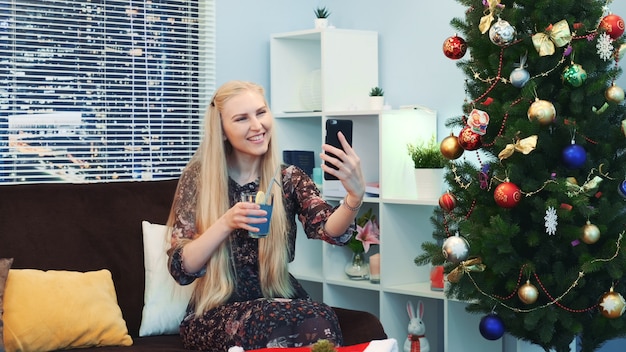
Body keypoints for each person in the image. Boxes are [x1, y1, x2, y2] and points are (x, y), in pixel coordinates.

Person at [166, 80, 366, 351]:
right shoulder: (200, 179)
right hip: (216, 309)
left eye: (261, 113)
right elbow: (181, 268)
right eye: (241, 118)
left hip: (278, 297)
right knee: (266, 320)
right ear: (222, 130)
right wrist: (227, 222)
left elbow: (331, 230)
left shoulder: (289, 178)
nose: (257, 126)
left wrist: (354, 197)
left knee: (322, 317)